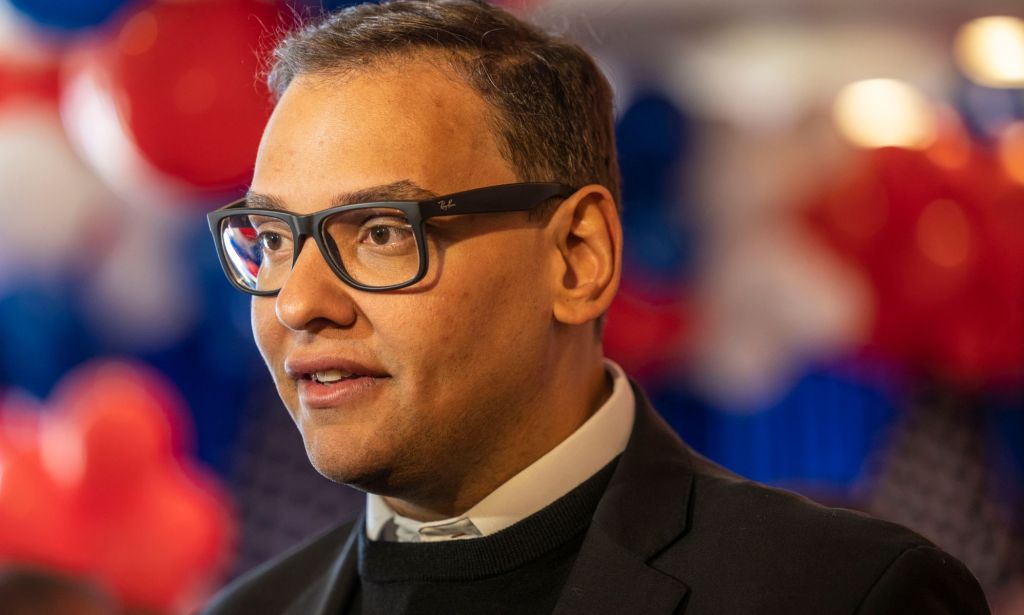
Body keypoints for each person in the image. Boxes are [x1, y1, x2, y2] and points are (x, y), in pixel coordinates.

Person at [201, 1, 990, 613]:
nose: (299, 300)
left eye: (379, 230)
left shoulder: (842, 594)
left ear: (579, 256)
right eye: (271, 240)